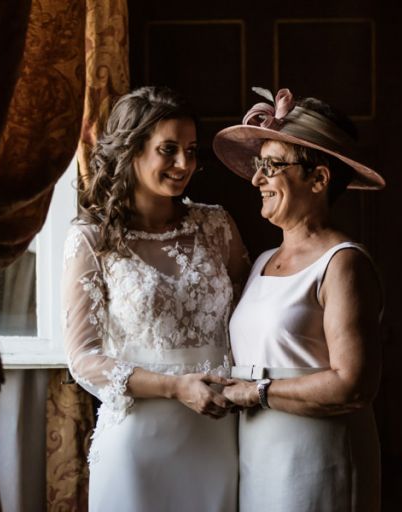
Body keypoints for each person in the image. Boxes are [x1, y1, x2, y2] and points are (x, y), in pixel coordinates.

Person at [61, 86, 249, 511]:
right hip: (138, 443)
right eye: (169, 150)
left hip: (217, 437)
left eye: (191, 151)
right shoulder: (91, 239)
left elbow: (249, 321)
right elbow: (84, 358)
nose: (184, 164)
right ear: (132, 150)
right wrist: (175, 387)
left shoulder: (217, 226)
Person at [213, 88, 386, 511]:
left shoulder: (342, 263)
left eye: (271, 166)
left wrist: (256, 393)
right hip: (257, 454)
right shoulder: (261, 262)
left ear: (319, 179)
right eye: (259, 166)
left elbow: (353, 385)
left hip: (318, 457)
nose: (257, 180)